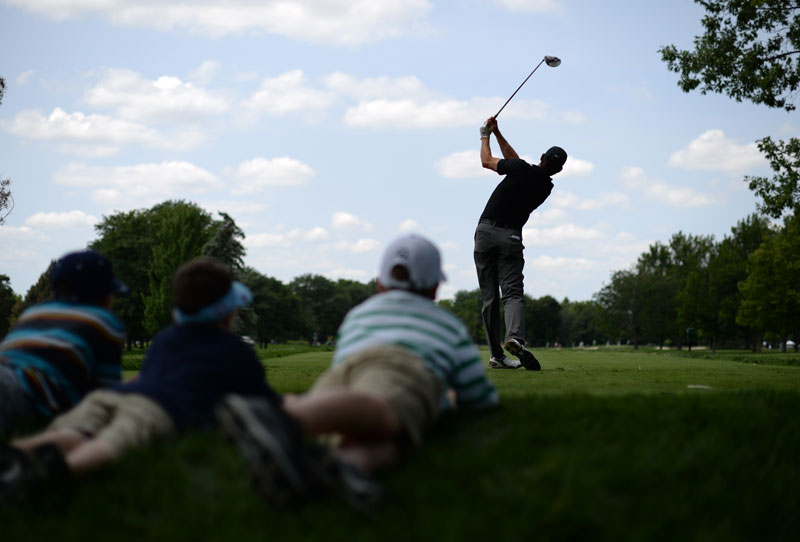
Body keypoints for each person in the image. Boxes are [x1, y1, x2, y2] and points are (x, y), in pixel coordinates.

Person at [217, 234, 499, 506]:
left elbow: (343, 362)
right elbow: (477, 395)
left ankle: (340, 469)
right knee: (386, 414)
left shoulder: (358, 314)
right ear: (435, 287)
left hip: (343, 379)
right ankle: (286, 417)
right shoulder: (447, 324)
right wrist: (460, 400)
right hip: (399, 367)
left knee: (390, 440)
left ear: (380, 283)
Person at [0, 257, 282, 497]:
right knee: (114, 440)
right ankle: (57, 472)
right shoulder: (236, 351)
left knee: (72, 430)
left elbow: (149, 376)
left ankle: (17, 453)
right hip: (156, 406)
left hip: (112, 396)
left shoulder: (165, 339)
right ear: (229, 314)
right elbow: (258, 398)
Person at [0, 249, 128, 436]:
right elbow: (105, 392)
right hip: (25, 390)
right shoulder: (104, 321)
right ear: (105, 296)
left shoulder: (32, 313)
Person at [474, 116, 567, 370]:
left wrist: (485, 135)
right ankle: (514, 337)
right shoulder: (546, 187)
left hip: (485, 232)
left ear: (542, 156)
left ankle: (496, 356)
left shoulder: (520, 169)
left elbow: (486, 161)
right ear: (558, 171)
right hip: (511, 237)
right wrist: (497, 133)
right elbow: (516, 162)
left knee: (490, 298)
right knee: (512, 294)